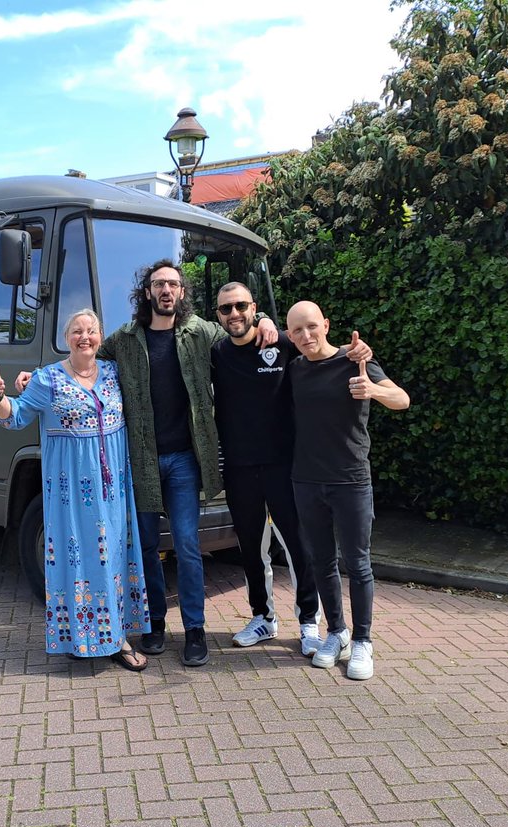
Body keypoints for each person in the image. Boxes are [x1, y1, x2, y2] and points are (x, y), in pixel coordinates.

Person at [95, 261, 278, 666]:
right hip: (140, 459)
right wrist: (38, 378)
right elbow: (85, 358)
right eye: (159, 283)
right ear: (147, 292)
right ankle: (155, 624)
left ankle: (194, 630)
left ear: (182, 293)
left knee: (188, 545)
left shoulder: (200, 331)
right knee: (145, 548)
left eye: (174, 284)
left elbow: (239, 325)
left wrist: (263, 319)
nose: (166, 290)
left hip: (184, 460)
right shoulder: (124, 339)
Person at [0, 309, 149, 672]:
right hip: (71, 494)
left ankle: (116, 636)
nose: (85, 337)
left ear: (100, 338)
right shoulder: (47, 380)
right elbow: (14, 417)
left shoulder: (112, 372)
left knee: (111, 559)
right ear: (67, 338)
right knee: (78, 560)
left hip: (112, 492)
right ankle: (81, 639)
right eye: (77, 331)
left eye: (92, 331)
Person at [285, 300, 410, 680]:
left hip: (350, 479)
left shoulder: (354, 360)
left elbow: (402, 400)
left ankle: (363, 641)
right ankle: (336, 633)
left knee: (357, 564)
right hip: (305, 480)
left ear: (325, 324)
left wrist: (372, 389)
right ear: (290, 336)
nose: (307, 336)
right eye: (298, 331)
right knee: (321, 562)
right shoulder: (293, 370)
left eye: (312, 327)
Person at [210, 282, 325, 656]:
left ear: (253, 307)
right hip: (240, 467)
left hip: (284, 465)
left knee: (297, 545)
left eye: (241, 306)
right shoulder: (216, 354)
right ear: (219, 316)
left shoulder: (281, 344)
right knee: (251, 550)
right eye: (226, 309)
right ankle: (263, 617)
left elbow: (319, 352)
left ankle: (309, 622)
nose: (234, 314)